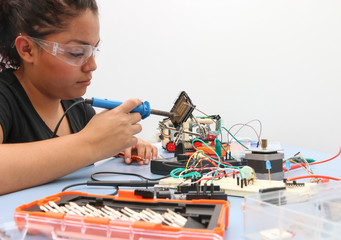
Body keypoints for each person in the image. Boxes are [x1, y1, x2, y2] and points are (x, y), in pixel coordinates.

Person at [0, 0, 157, 195]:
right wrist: (91, 143)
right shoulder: (4, 97)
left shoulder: (78, 109)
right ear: (27, 49)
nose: (91, 65)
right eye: (76, 53)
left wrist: (120, 143)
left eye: (94, 50)